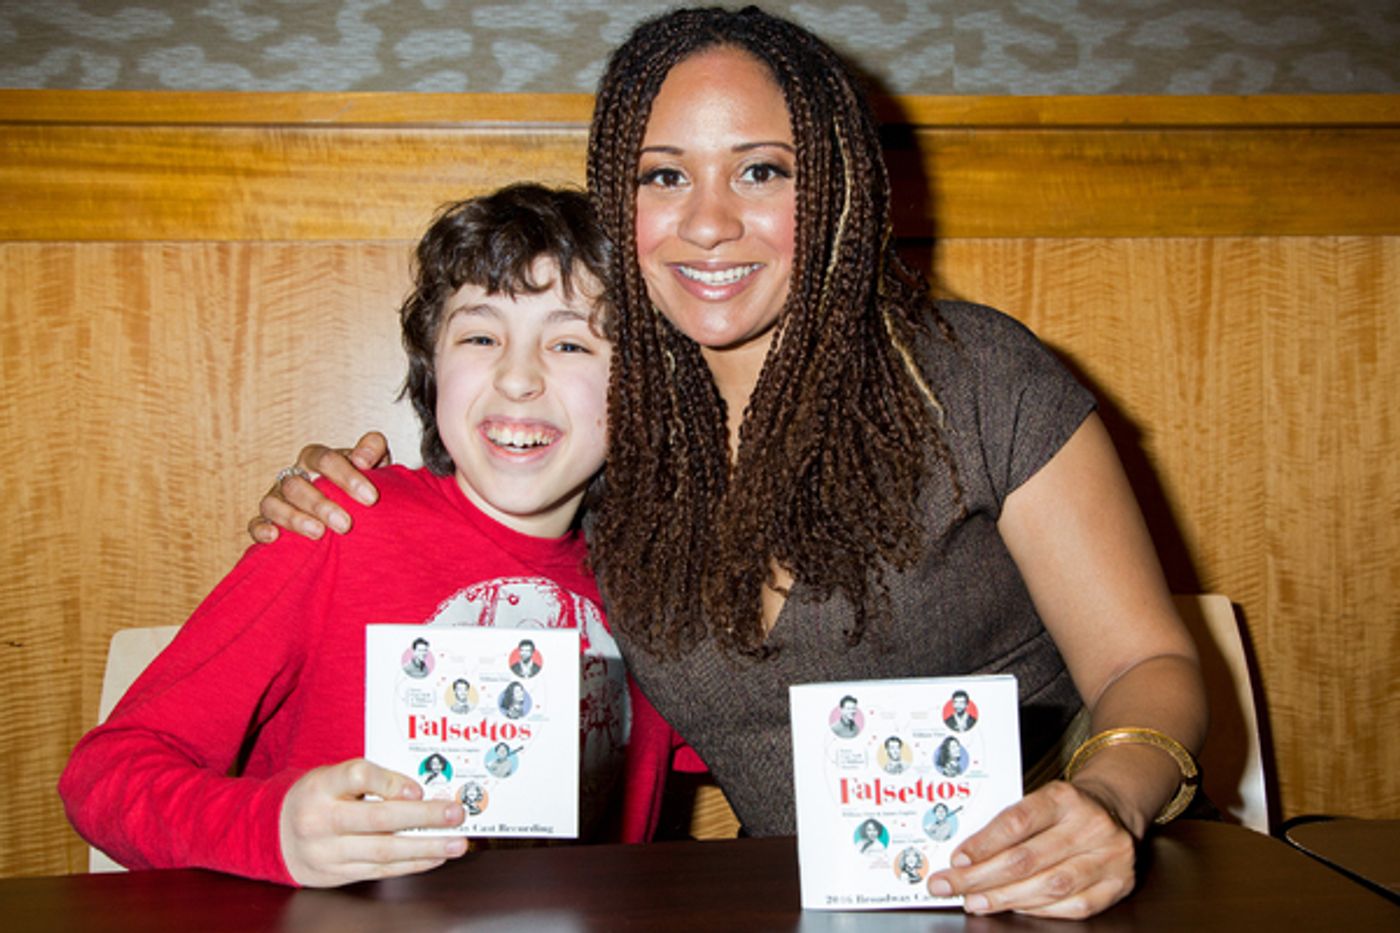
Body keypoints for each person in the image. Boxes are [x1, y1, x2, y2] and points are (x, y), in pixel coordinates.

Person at [246, 6, 1206, 919]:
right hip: (791, 904)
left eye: (760, 172)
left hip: (1046, 895)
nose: (707, 221)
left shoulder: (972, 375)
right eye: (665, 176)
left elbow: (1145, 660)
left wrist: (1108, 799)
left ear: (832, 186)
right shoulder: (605, 426)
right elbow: (484, 545)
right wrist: (338, 498)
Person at [60, 184, 626, 888]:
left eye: (570, 343)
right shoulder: (339, 525)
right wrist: (274, 831)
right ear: (433, 367)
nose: (518, 378)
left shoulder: (654, 589)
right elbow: (104, 774)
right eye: (480, 337)